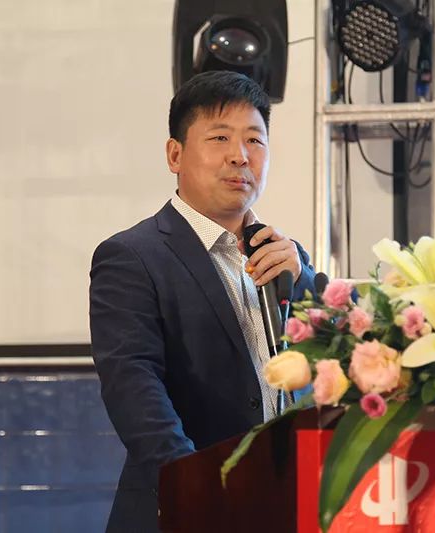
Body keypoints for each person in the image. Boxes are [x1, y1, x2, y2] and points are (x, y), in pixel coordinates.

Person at [89, 70, 316, 532]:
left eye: (255, 140)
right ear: (175, 154)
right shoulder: (131, 257)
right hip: (187, 510)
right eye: (220, 138)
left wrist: (304, 280)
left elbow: (333, 363)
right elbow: (134, 386)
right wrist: (197, 488)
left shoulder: (285, 258)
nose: (240, 155)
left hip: (283, 506)